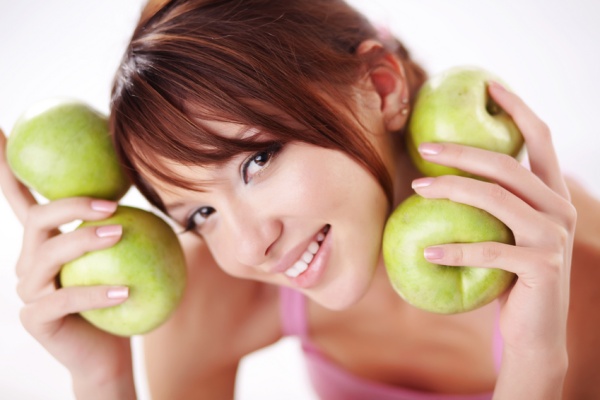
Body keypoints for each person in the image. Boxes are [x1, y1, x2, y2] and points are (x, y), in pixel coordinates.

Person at [1, 0, 599, 398]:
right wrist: (101, 380)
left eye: (257, 160)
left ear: (380, 87)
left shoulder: (566, 268)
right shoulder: (211, 289)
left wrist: (536, 358)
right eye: (201, 213)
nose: (249, 247)